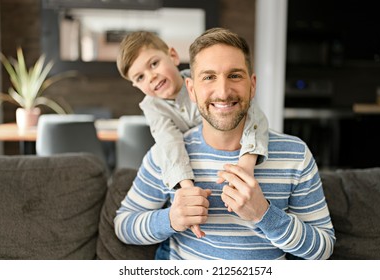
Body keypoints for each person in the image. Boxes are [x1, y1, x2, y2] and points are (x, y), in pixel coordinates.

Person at [115, 27, 335, 260]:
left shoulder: (295, 154)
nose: (222, 92)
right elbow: (123, 225)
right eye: (209, 77)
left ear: (252, 85)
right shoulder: (165, 155)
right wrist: (171, 218)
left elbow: (323, 249)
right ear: (192, 88)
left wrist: (264, 214)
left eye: (235, 75)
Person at [116, 31, 269, 238]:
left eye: (153, 64)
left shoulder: (205, 82)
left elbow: (253, 115)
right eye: (140, 77)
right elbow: (169, 142)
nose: (151, 77)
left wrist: (247, 163)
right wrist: (187, 191)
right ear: (136, 86)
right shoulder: (153, 107)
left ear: (173, 56)